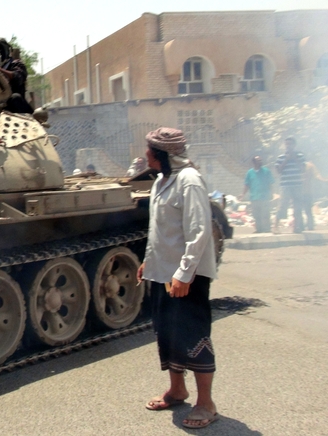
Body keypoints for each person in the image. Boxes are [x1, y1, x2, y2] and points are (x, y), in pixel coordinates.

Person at [137, 128, 219, 429]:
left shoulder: (189, 180)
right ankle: (177, 390)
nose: (146, 155)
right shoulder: (161, 181)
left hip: (187, 276)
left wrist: (184, 274)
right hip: (163, 273)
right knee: (167, 331)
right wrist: (148, 261)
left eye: (150, 150)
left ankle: (206, 403)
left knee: (193, 334)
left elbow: (199, 232)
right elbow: (159, 230)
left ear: (163, 154)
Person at [0, 38, 34, 114]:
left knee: (15, 97)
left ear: (2, 51)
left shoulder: (17, 64)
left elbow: (17, 77)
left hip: (16, 108)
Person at [274, 137, 306, 233]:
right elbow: (278, 171)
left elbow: (303, 169)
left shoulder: (300, 156)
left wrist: (295, 158)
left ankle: (296, 227)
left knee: (297, 206)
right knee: (282, 205)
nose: (288, 146)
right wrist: (286, 160)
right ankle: (275, 226)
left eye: (290, 144)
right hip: (285, 185)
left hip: (297, 184)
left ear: (294, 145)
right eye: (286, 144)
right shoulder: (280, 157)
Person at [241, 156, 275, 233]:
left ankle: (267, 229)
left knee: (265, 214)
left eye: (260, 160)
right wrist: (243, 194)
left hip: (265, 197)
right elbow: (247, 185)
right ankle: (259, 229)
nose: (260, 162)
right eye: (258, 161)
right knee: (256, 214)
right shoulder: (250, 173)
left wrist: (272, 194)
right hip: (254, 197)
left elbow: (270, 183)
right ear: (254, 162)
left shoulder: (266, 171)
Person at [302, 161, 328, 230]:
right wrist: (324, 180)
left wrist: (324, 180)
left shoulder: (308, 165)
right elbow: (317, 176)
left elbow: (317, 175)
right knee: (308, 210)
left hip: (301, 191)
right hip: (307, 191)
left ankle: (302, 225)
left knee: (301, 209)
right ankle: (309, 225)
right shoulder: (310, 165)